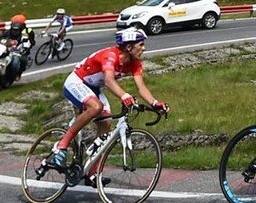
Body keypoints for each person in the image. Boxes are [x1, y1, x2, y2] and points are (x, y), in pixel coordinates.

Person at [44, 28, 166, 171]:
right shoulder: (111, 55)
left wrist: (155, 103)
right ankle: (62, 145)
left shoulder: (135, 63)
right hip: (76, 82)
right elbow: (108, 80)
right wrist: (124, 95)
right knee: (96, 107)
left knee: (106, 123)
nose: (144, 48)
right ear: (129, 47)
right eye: (141, 44)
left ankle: (91, 171)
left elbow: (142, 87)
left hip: (93, 88)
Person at [0, 13, 35, 84]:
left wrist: (26, 46)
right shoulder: (7, 32)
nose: (15, 29)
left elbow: (32, 42)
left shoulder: (28, 31)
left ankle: (18, 73)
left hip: (20, 51)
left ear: (22, 25)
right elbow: (0, 37)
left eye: (18, 24)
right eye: (14, 24)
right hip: (7, 49)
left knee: (18, 61)